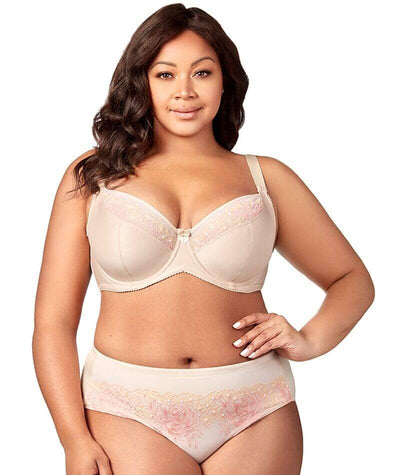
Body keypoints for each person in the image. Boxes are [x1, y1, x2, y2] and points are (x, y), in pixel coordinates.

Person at [32, 4, 375, 475]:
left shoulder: (266, 178)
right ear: (141, 82)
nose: (185, 91)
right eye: (165, 74)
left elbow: (352, 279)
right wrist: (72, 437)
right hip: (126, 408)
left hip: (255, 408)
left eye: (202, 72)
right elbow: (53, 322)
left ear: (224, 81)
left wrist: (310, 340)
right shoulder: (94, 176)